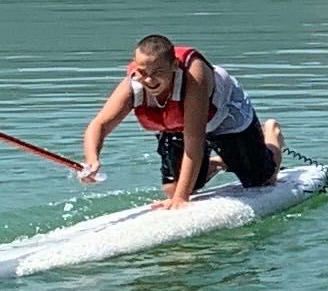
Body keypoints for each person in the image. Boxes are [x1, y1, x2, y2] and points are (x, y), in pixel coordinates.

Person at [79, 36, 289, 203]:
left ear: (174, 66)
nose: (149, 80)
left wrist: (182, 199)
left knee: (261, 181)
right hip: (182, 125)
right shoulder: (133, 85)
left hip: (224, 114)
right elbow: (100, 125)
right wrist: (92, 160)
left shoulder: (193, 79)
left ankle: (271, 135)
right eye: (143, 72)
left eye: (157, 72)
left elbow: (194, 140)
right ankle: (220, 162)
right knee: (172, 188)